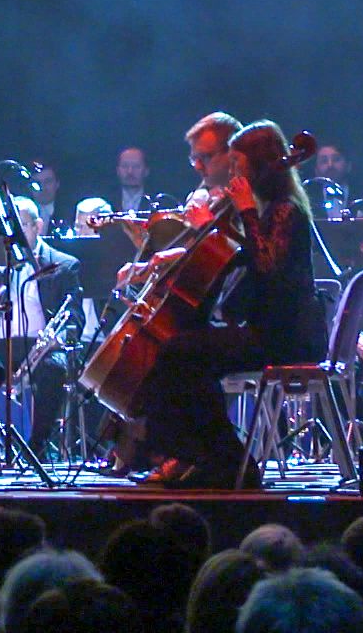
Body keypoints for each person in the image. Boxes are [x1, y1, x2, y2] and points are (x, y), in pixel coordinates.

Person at [113, 120, 324, 486]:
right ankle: (195, 456)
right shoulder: (267, 209)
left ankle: (225, 459)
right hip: (262, 329)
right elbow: (239, 255)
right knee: (181, 351)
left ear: (260, 165)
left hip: (285, 335)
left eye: (239, 165)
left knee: (182, 353)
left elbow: (267, 264)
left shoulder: (285, 209)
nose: (234, 174)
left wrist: (245, 211)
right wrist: (211, 227)